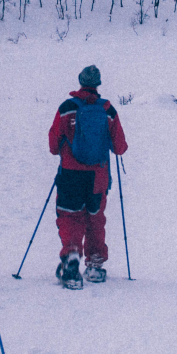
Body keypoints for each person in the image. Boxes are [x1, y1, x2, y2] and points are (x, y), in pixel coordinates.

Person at [48, 64, 127, 288]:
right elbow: (120, 146)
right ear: (98, 84)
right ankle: (95, 266)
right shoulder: (108, 109)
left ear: (81, 82)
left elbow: (54, 145)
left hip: (71, 175)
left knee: (70, 217)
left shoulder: (66, 108)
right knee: (95, 219)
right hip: (98, 177)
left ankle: (71, 261)